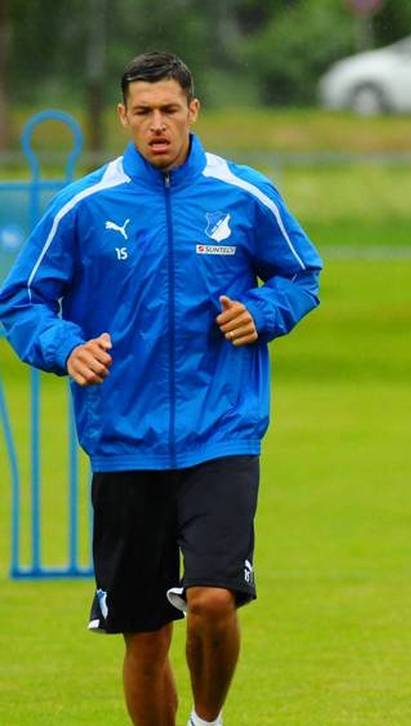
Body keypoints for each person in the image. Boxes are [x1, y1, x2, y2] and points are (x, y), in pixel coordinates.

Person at [0, 51, 323, 726]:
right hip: (124, 441)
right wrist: (65, 348)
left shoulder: (244, 194)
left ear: (193, 112)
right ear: (123, 117)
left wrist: (262, 313)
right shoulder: (85, 205)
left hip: (221, 432)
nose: (157, 125)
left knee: (211, 600)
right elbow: (23, 299)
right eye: (143, 112)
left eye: (169, 110)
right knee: (145, 636)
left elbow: (301, 277)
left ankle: (208, 720)